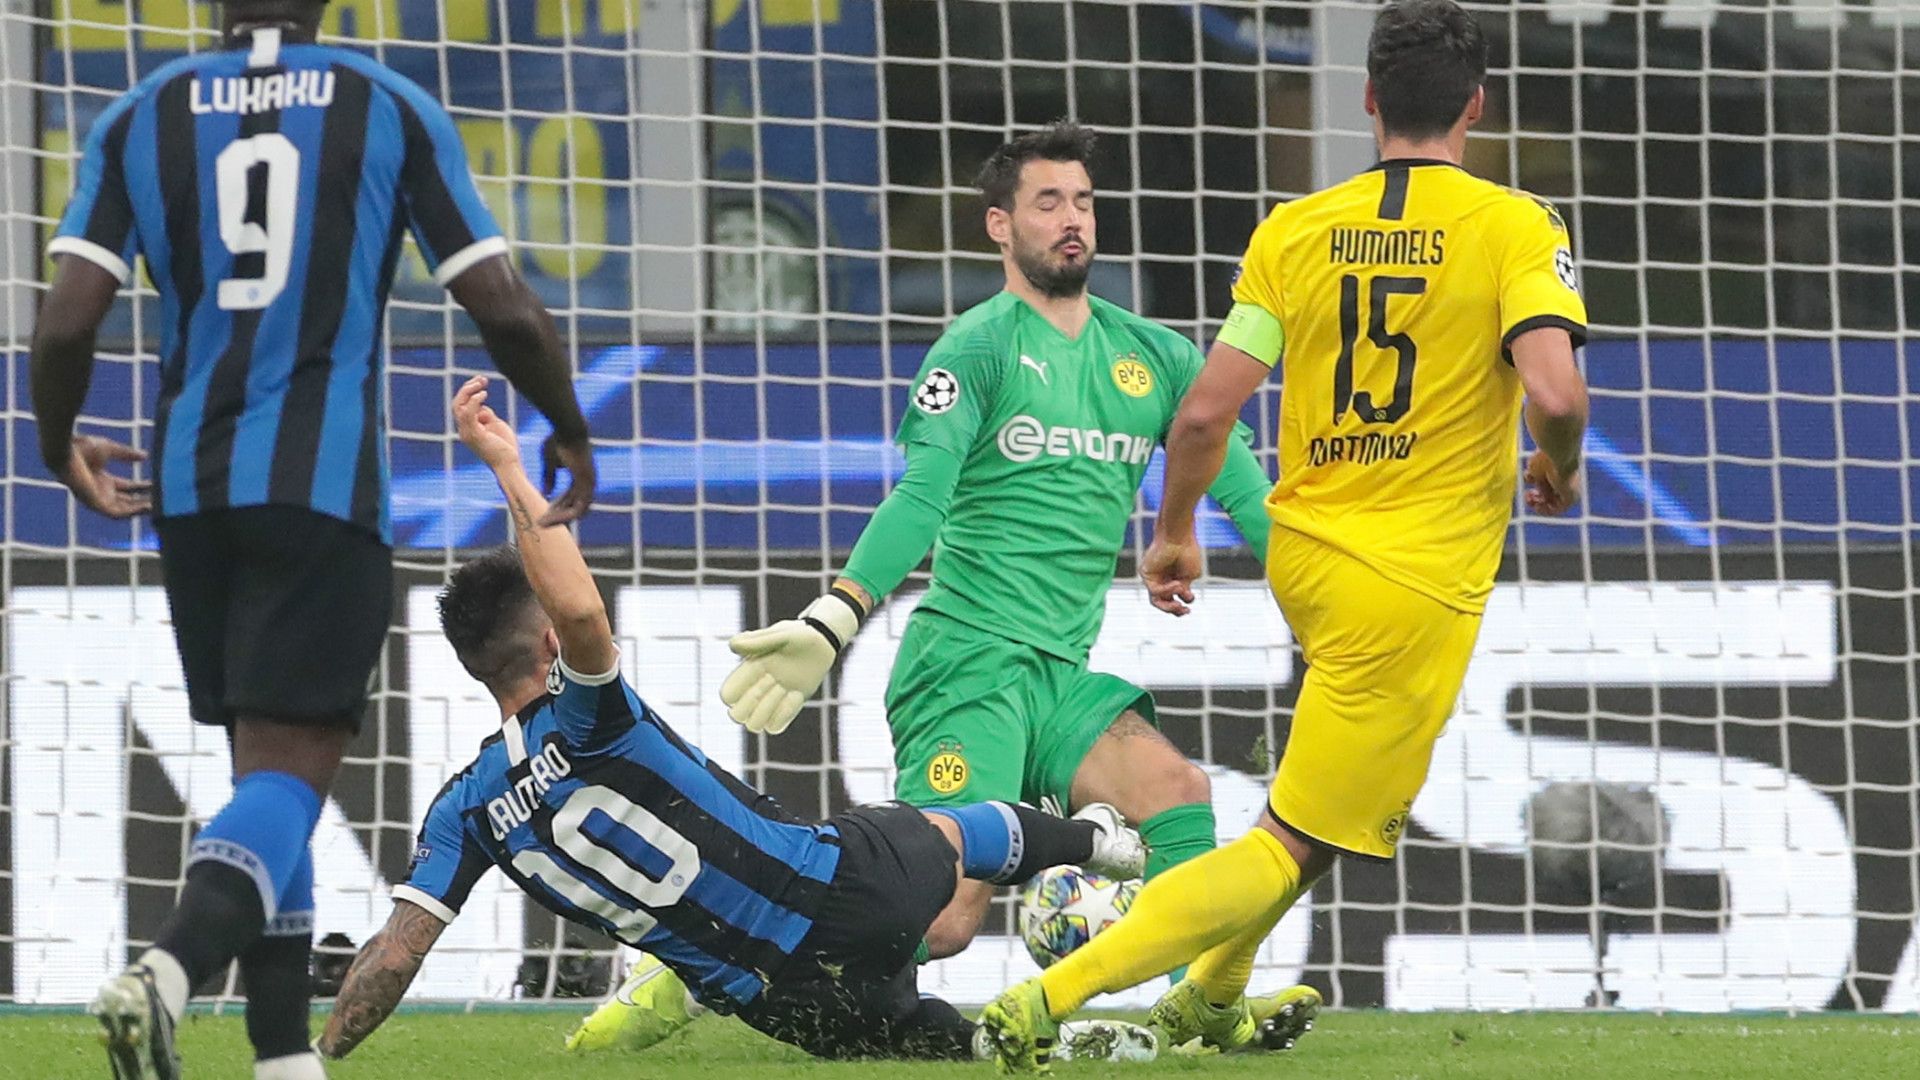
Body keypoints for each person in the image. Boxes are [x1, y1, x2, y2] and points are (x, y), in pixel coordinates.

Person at [567, 119, 1286, 1054]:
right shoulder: (974, 350)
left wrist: (1326, 600)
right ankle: (701, 956)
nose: (1072, 219)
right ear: (1000, 225)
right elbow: (921, 497)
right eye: (1047, 203)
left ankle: (1200, 1012)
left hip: (1058, 676)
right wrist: (836, 615)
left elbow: (1248, 495)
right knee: (944, 918)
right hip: (966, 665)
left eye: (1082, 201)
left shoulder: (1155, 357)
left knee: (1178, 794)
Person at [977, 1, 1593, 1071]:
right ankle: (1046, 1001)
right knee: (1291, 841)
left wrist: (1174, 530)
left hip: (1307, 556)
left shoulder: (1294, 230)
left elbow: (1206, 413)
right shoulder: (1517, 227)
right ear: (1477, 108)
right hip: (1409, 583)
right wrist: (1560, 464)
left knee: (1316, 807)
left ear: (1368, 101)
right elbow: (1556, 392)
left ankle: (1211, 998)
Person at [30, 3, 596, 1077]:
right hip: (322, 490)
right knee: (290, 773)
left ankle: (283, 1056)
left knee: (266, 776)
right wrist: (566, 424)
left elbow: (63, 323)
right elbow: (505, 308)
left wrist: (58, 445)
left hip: (189, 491)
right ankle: (169, 970)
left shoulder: (141, 113)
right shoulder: (386, 105)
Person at [314, 377, 1155, 1066]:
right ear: (548, 646)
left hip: (773, 1002)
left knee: (927, 1040)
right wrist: (507, 465)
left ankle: (1061, 1049)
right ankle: (1104, 845)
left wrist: (317, 1055)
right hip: (837, 892)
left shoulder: (465, 808)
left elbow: (397, 953)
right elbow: (579, 611)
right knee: (951, 829)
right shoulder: (588, 716)